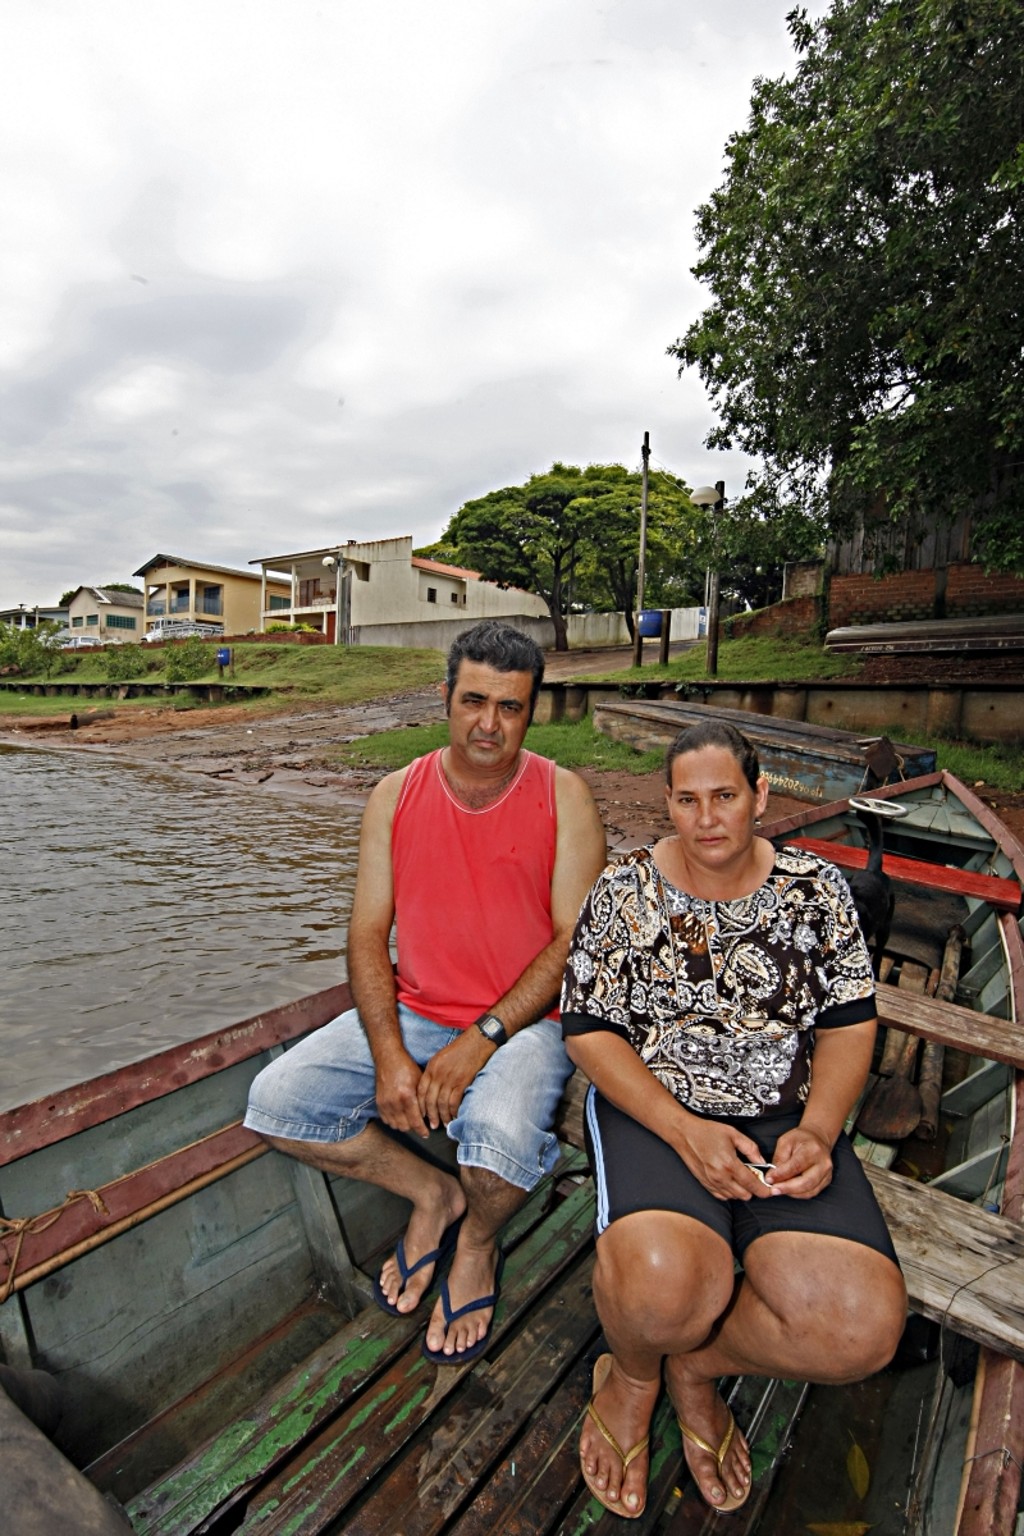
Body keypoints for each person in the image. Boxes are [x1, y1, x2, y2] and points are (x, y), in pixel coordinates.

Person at [560, 720, 907, 1518]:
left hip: (785, 1121)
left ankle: (697, 1369)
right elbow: (588, 1030)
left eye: (724, 796)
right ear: (669, 804)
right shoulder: (623, 894)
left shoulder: (816, 892)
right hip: (655, 1115)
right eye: (687, 800)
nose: (707, 818)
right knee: (665, 1287)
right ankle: (635, 1377)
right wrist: (685, 1130)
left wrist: (818, 1131)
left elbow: (850, 1023)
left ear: (760, 795)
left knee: (860, 1327)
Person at [245, 620, 606, 1365]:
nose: (489, 724)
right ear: (445, 697)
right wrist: (389, 1055)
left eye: (510, 707)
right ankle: (432, 1196)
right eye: (475, 700)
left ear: (530, 713)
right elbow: (366, 933)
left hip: (527, 1025)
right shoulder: (393, 794)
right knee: (277, 1104)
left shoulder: (563, 795)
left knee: (499, 1144)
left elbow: (573, 941)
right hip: (415, 1011)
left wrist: (480, 1041)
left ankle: (475, 1239)